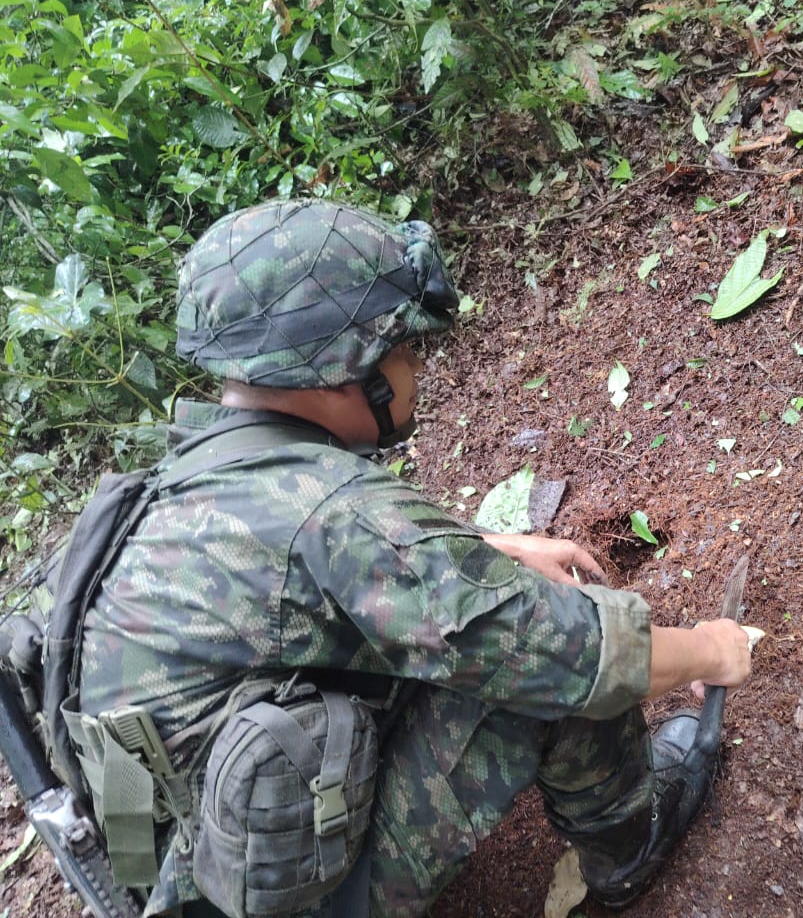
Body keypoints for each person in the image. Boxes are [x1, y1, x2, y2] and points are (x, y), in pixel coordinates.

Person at [74, 198, 753, 916]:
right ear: (340, 373)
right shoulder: (335, 515)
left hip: (183, 860)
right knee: (550, 658)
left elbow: (288, 588)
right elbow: (574, 653)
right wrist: (712, 649)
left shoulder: (186, 479)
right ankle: (629, 848)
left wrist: (484, 549)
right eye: (402, 350)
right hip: (252, 884)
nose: (415, 370)